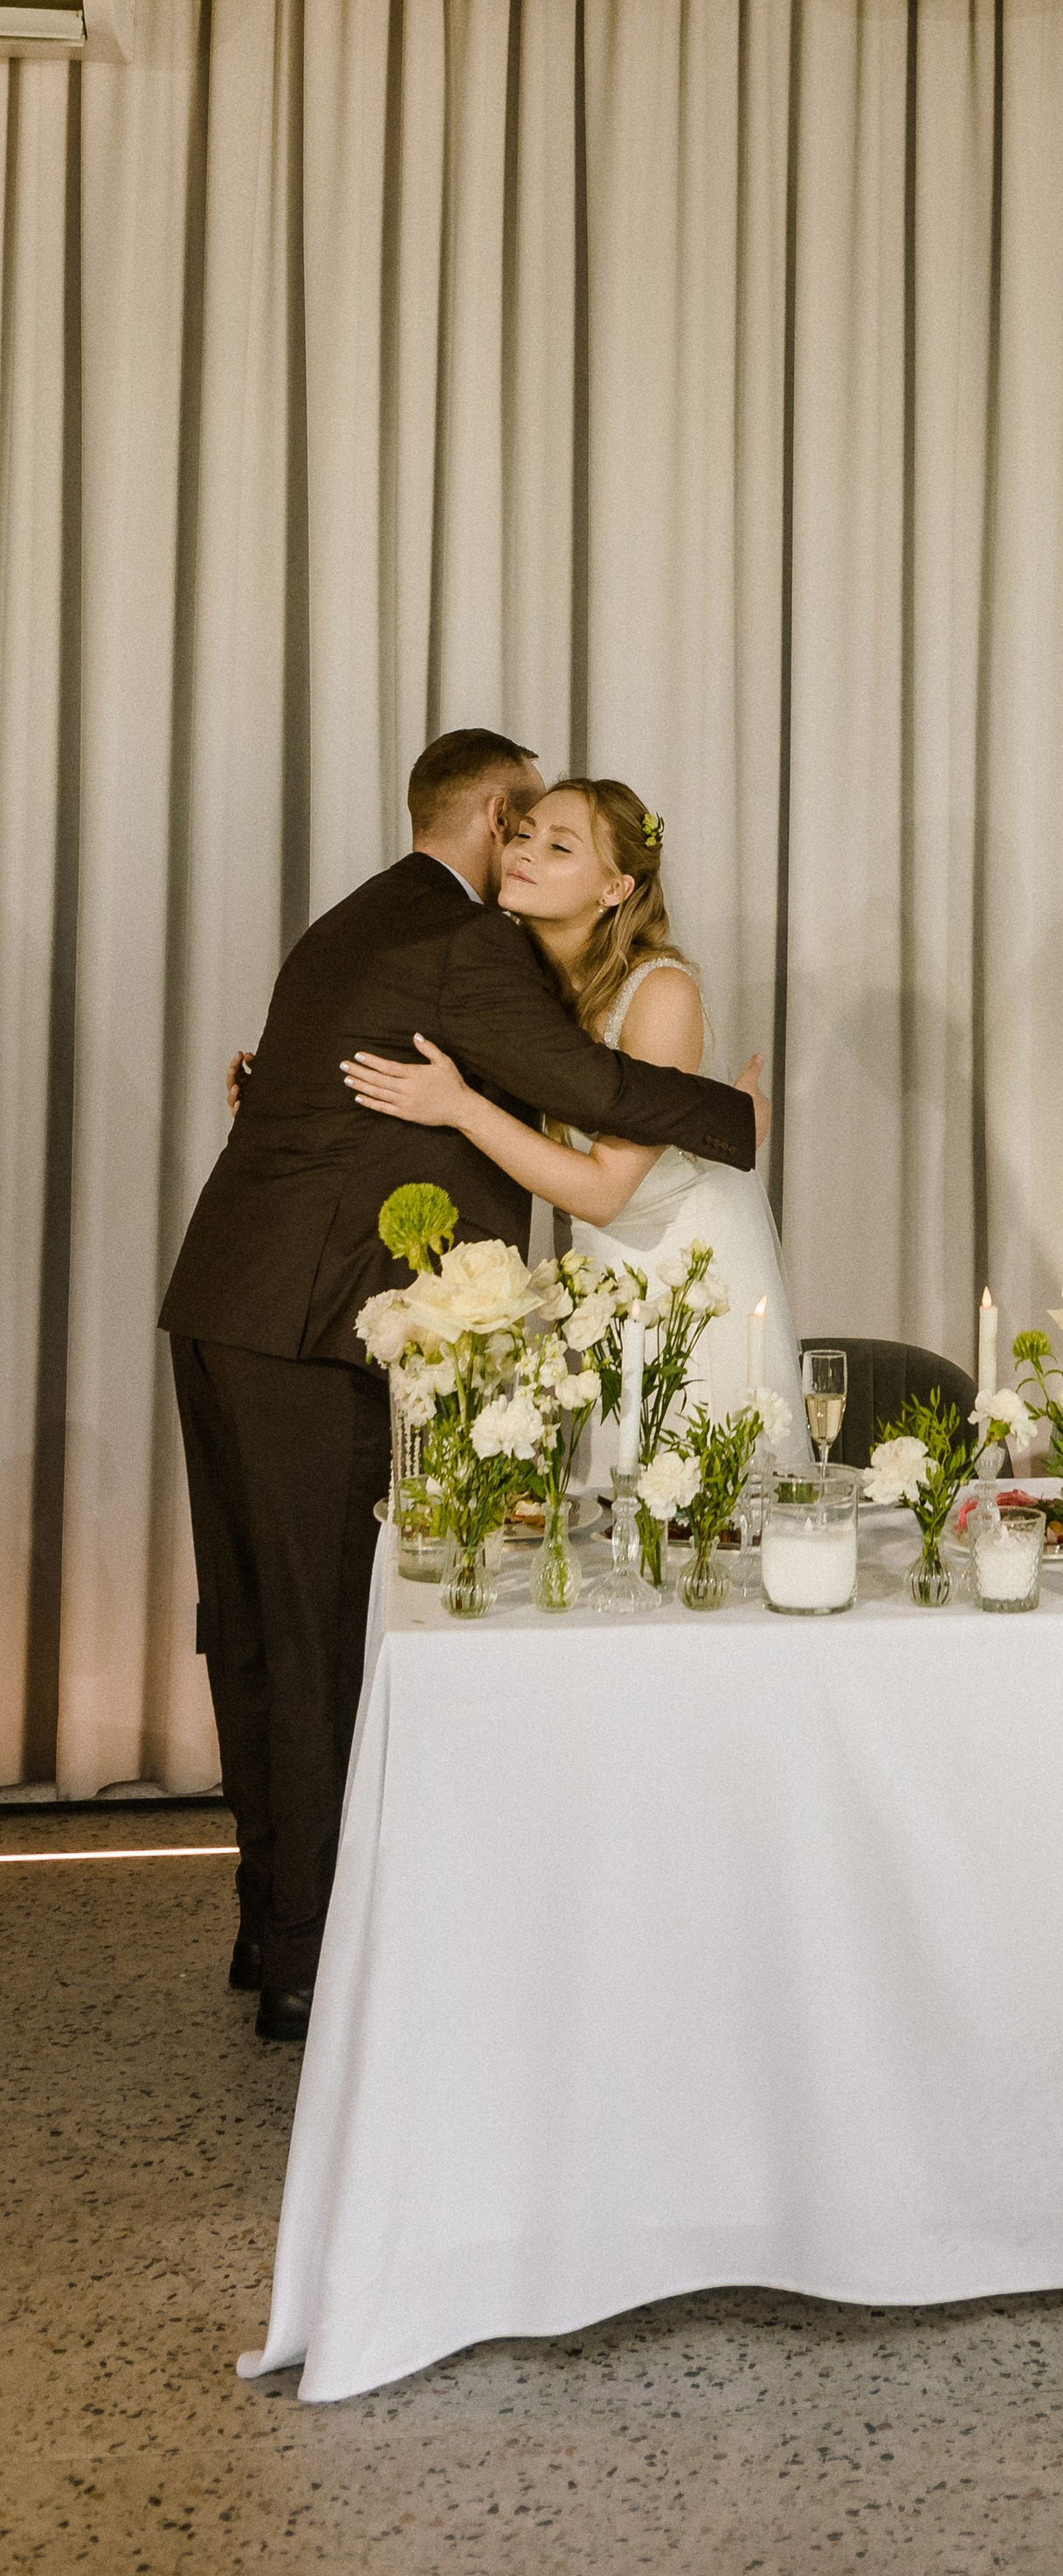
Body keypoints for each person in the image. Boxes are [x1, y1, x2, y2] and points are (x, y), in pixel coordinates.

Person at [162, 729, 770, 2042]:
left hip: (228, 1298)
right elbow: (591, 1087)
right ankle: (309, 1965)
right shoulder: (462, 938)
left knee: (258, 1621)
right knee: (317, 1626)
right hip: (306, 1324)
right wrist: (736, 1118)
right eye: (533, 822)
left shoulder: (362, 915)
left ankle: (272, 1911)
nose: (537, 843)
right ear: (496, 814)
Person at [339, 775, 802, 1442]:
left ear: (616, 888)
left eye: (559, 847)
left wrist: (460, 1107)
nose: (524, 853)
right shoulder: (520, 989)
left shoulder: (661, 992)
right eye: (523, 835)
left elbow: (605, 1190)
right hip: (594, 1289)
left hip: (685, 1288)